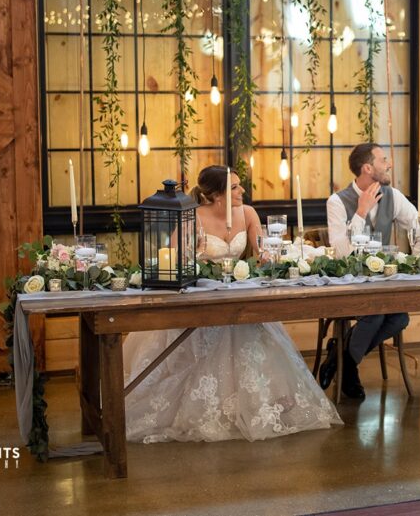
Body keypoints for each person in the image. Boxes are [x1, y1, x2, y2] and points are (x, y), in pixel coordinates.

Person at [122, 166, 342, 443]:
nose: (242, 191)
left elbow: (262, 253)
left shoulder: (248, 213)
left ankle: (257, 405)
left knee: (256, 334)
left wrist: (271, 258)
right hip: (202, 299)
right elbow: (176, 260)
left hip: (239, 295)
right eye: (235, 187)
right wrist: (198, 256)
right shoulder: (192, 217)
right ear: (216, 195)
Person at [322, 143, 420, 400]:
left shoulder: (393, 196)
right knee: (376, 313)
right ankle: (348, 369)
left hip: (383, 283)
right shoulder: (337, 202)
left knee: (399, 319)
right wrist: (360, 211)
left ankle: (342, 358)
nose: (389, 164)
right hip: (348, 283)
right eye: (384, 160)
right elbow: (339, 253)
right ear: (368, 168)